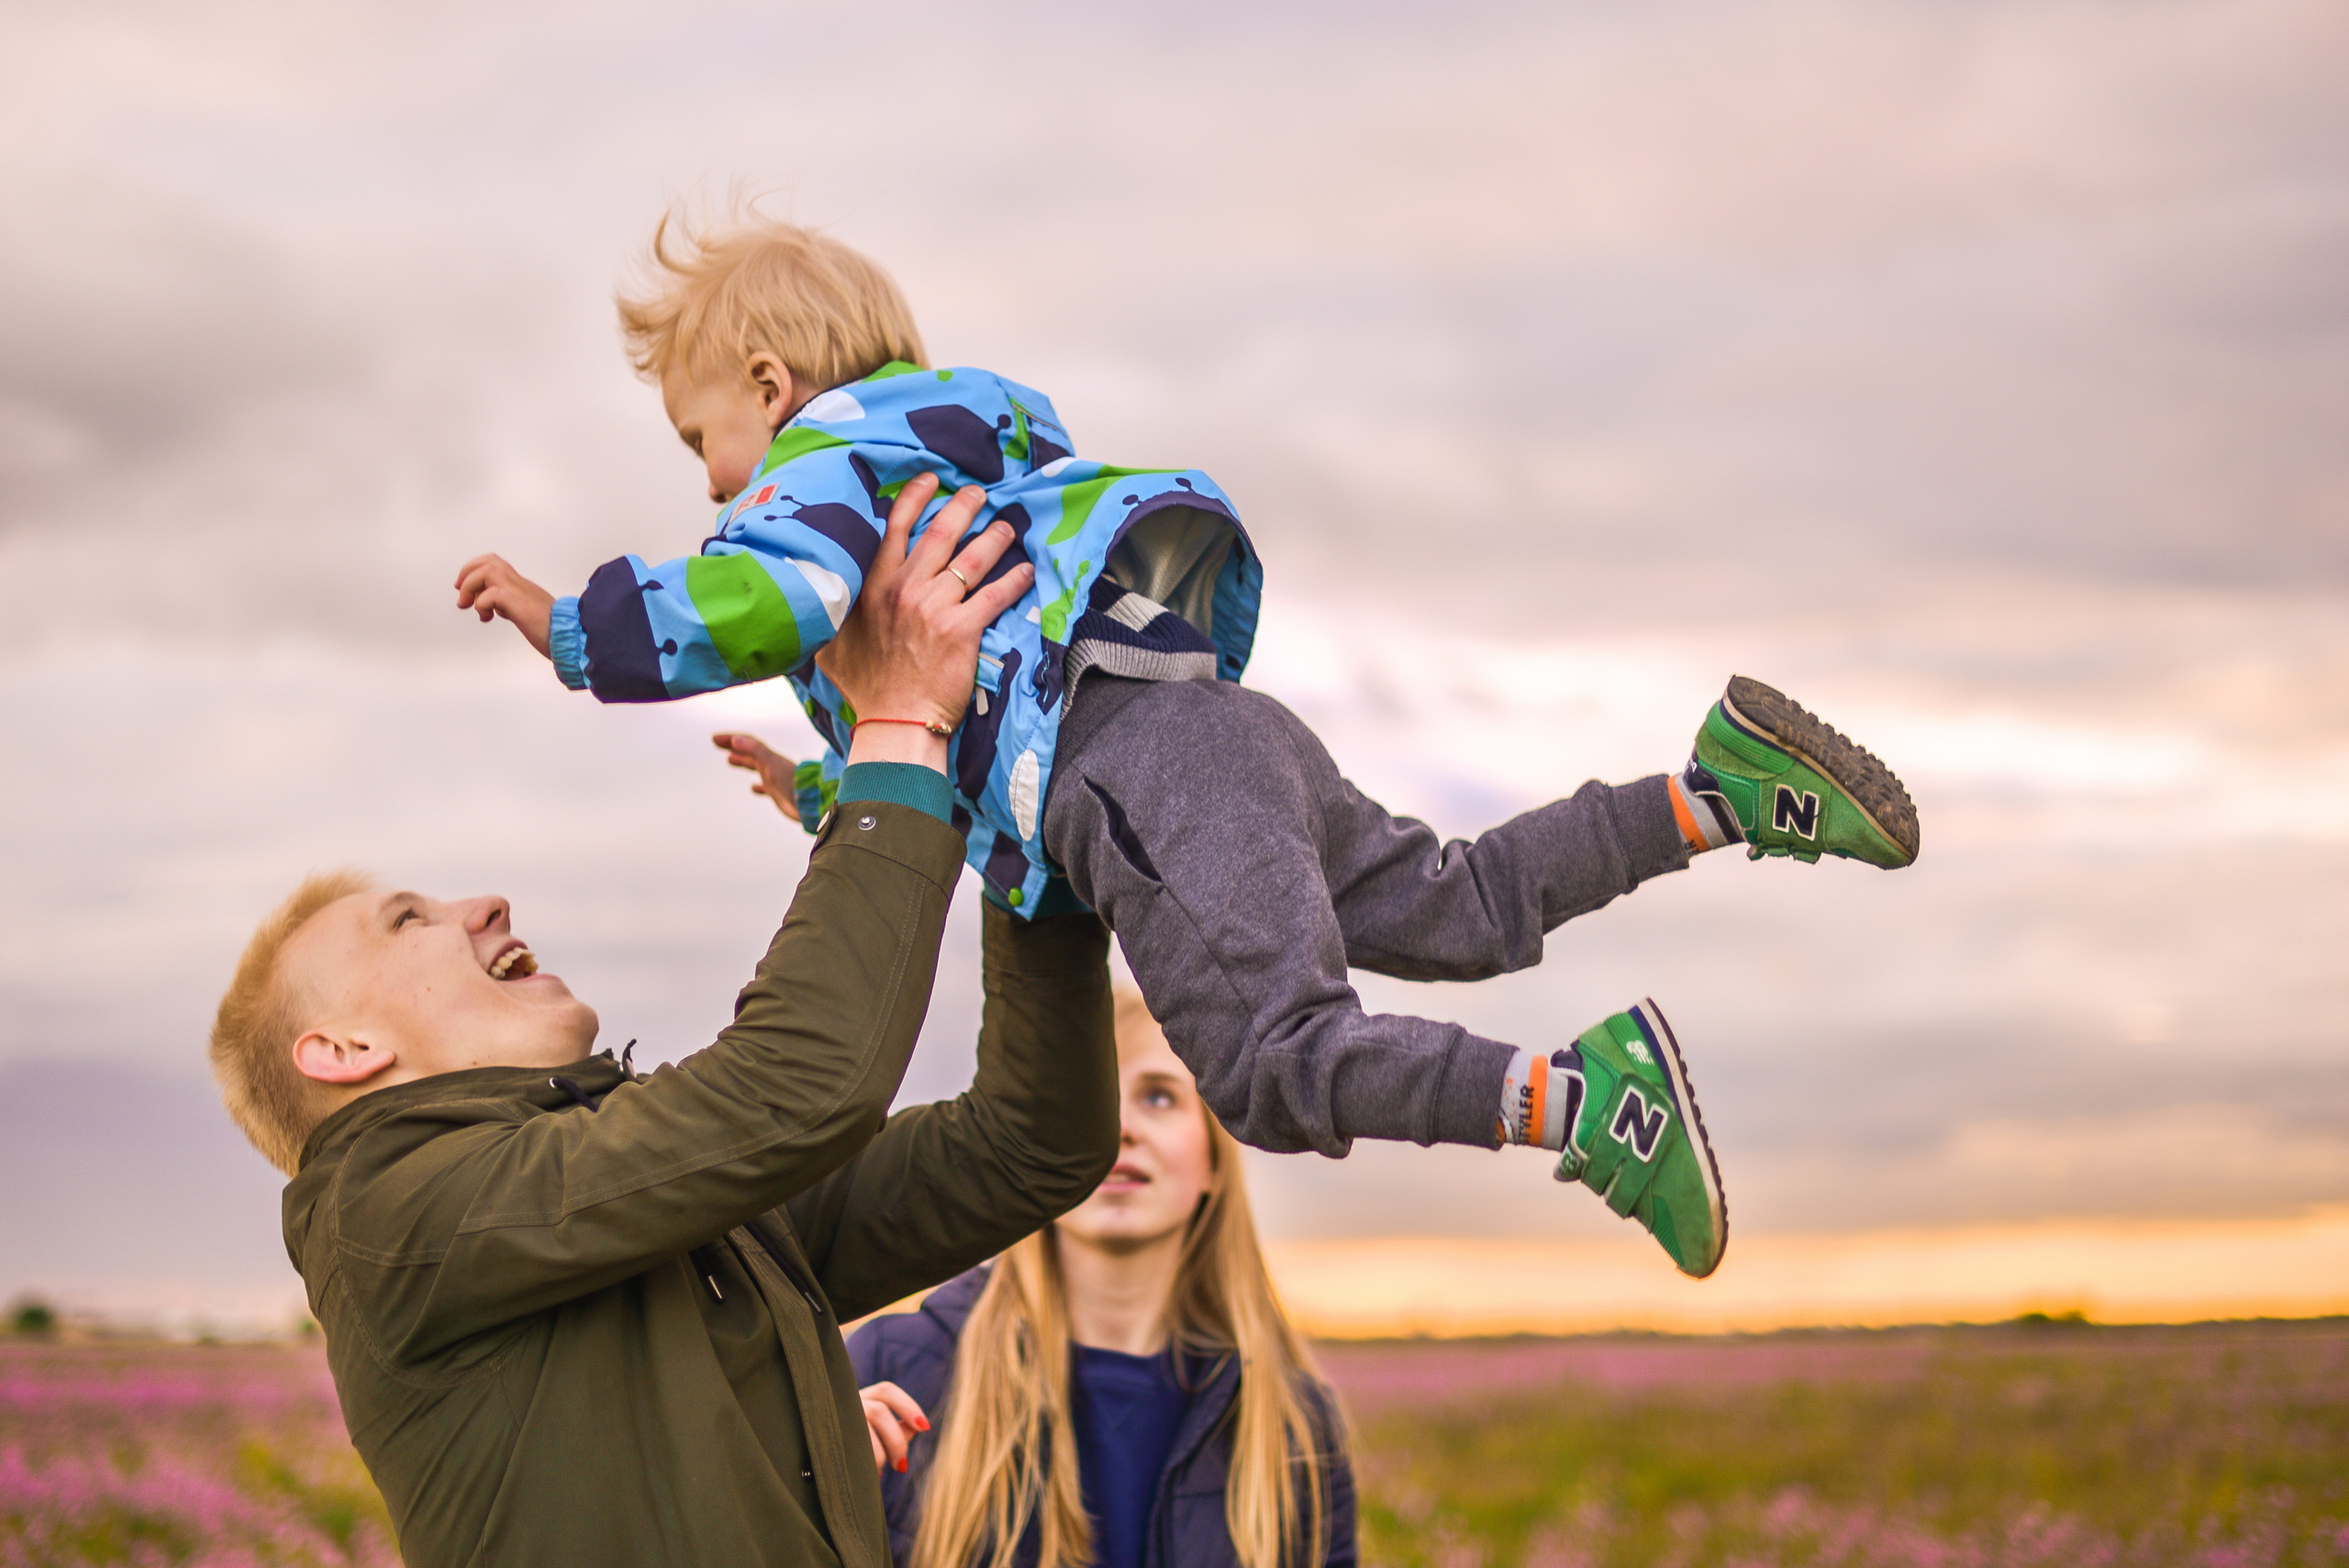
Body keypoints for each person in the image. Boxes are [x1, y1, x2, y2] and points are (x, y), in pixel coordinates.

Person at [453, 212, 1926, 1280]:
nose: (715, 478)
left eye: (700, 439)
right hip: (1210, 726)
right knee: (1465, 898)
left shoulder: (818, 468)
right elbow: (983, 710)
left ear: (770, 388)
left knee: (1279, 1067)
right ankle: (1718, 790)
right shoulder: (968, 437)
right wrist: (828, 789)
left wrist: (570, 626)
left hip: (1130, 775)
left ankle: (1585, 1098)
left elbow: (767, 600)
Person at [206, 495, 1126, 1568]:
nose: (485, 905)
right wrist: (900, 726)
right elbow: (796, 1081)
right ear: (343, 1050)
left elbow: (1028, 1139)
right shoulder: (390, 1216)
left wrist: (1029, 831)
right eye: (410, 918)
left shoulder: (653, 1212)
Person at [845, 991, 1354, 1568]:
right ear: (1041, 1146)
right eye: (1086, 1096)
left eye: (1159, 1096)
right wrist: (797, 1501)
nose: (1120, 1127)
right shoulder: (891, 1372)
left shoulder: (1294, 1424)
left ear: (1214, 1160)